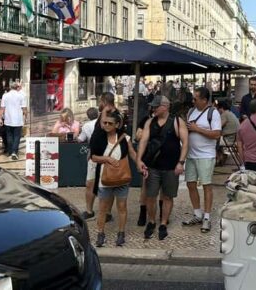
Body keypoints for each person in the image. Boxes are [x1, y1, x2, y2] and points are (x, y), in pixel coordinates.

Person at [137, 96, 189, 240]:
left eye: (156, 106)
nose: (153, 109)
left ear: (165, 107)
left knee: (168, 196)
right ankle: (151, 221)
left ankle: (164, 223)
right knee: (150, 196)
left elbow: (185, 143)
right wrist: (139, 159)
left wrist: (181, 162)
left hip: (171, 167)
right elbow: (143, 141)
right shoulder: (150, 122)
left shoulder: (177, 122)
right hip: (152, 166)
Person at [91, 110, 139, 247]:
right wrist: (107, 159)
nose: (106, 125)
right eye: (104, 123)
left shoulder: (125, 138)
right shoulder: (99, 138)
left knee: (122, 206)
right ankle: (100, 233)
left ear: (117, 125)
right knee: (102, 208)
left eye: (110, 123)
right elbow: (93, 157)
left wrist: (140, 165)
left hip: (122, 177)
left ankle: (121, 233)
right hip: (104, 179)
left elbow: (132, 153)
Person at [183, 87, 222, 233]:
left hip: (206, 155)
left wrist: (197, 129)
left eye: (196, 98)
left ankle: (207, 217)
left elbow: (217, 134)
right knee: (190, 184)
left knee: (206, 185)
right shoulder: (191, 112)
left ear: (204, 100)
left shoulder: (213, 113)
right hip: (191, 155)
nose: (193, 101)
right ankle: (197, 213)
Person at [83, 93, 118, 221]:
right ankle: (89, 210)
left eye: (100, 101)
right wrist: (91, 149)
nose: (99, 104)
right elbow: (96, 133)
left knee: (108, 184)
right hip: (95, 155)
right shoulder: (102, 114)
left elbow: (104, 127)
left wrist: (103, 112)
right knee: (90, 183)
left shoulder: (115, 114)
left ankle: (107, 213)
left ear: (104, 101)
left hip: (108, 155)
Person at [0, 80, 27, 160]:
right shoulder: (21, 96)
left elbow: (2, 108)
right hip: (18, 120)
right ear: (17, 87)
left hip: (8, 119)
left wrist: (0, 119)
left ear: (10, 87)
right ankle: (14, 152)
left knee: (9, 136)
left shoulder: (5, 95)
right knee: (17, 136)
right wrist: (26, 117)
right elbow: (24, 108)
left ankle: (10, 151)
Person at [216, 99, 239, 166]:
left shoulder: (224, 114)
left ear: (221, 108)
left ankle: (218, 159)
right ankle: (221, 157)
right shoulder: (230, 113)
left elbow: (218, 127)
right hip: (233, 138)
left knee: (211, 141)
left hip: (227, 139)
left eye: (218, 109)